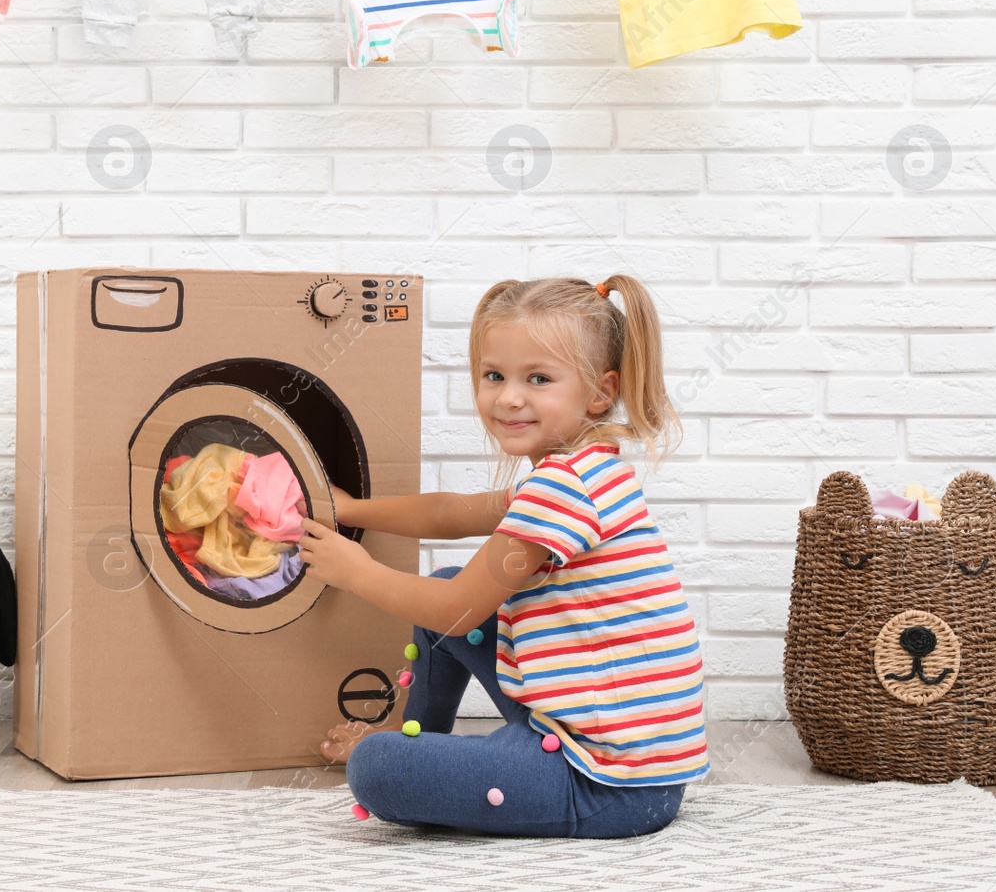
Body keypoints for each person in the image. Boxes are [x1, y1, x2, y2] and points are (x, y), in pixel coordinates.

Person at [298, 275, 708, 837]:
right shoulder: (587, 469)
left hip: (608, 783)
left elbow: (460, 613)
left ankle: (417, 755)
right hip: (609, 748)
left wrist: (356, 571)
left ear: (599, 392)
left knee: (377, 768)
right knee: (445, 580)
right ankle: (431, 745)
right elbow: (449, 513)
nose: (508, 396)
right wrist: (351, 510)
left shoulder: (564, 490)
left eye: (538, 379)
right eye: (494, 376)